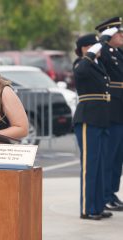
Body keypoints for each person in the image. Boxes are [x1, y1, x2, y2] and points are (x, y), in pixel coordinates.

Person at [73, 32, 117, 220]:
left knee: (100, 164)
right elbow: (81, 70)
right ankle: (86, 208)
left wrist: (103, 44)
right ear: (85, 48)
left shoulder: (99, 65)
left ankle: (97, 206)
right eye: (95, 45)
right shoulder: (82, 63)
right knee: (90, 166)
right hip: (87, 119)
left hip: (101, 119)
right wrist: (91, 52)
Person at [95, 17, 123, 211]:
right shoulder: (104, 51)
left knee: (118, 156)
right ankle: (104, 195)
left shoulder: (119, 53)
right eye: (118, 33)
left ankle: (112, 192)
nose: (122, 36)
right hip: (111, 110)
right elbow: (96, 54)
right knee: (109, 154)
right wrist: (103, 39)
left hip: (120, 110)